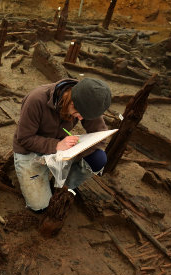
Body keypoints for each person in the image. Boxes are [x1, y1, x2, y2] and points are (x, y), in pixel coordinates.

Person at [13, 77, 112, 212]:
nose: (81, 118)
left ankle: (65, 185)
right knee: (41, 207)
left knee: (97, 158)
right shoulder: (36, 100)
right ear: (71, 99)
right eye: (79, 113)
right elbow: (24, 138)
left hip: (62, 149)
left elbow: (99, 134)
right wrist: (56, 145)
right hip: (30, 150)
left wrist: (79, 148)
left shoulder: (89, 100)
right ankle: (41, 180)